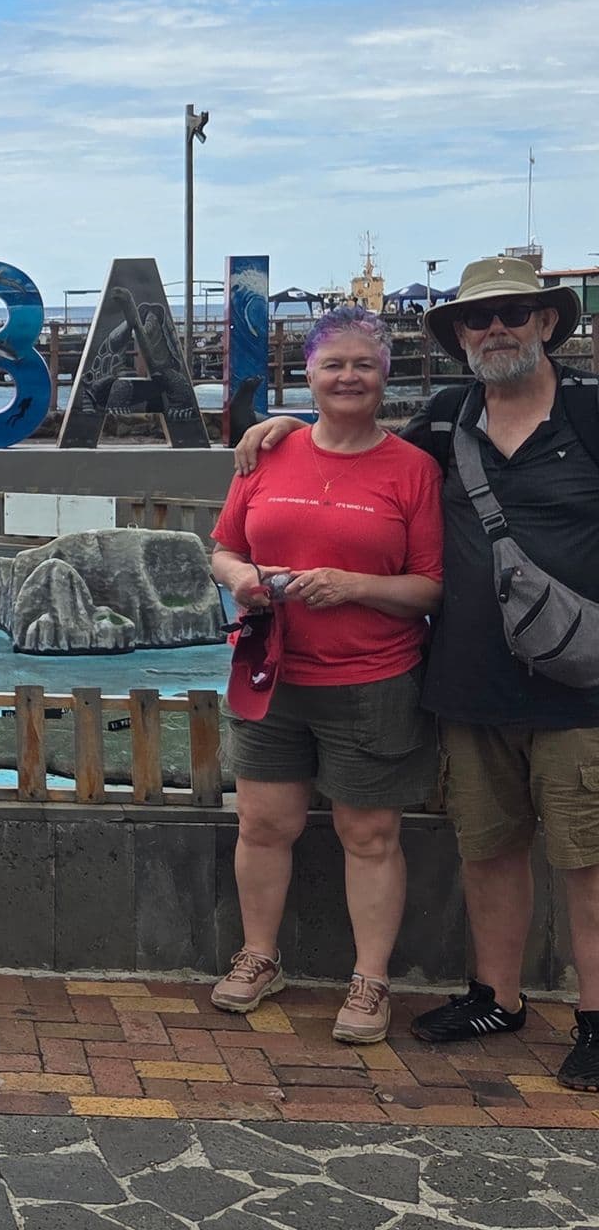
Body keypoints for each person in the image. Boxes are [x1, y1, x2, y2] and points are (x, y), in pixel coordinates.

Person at [237, 255, 599, 1088]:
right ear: (459, 335)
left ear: (547, 321)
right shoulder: (447, 418)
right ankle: (496, 997)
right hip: (470, 679)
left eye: (512, 312)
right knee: (490, 850)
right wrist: (286, 425)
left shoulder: (588, 411)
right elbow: (361, 451)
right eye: (477, 318)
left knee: (586, 859)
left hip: (581, 682)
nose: (495, 328)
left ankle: (594, 1017)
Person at [208, 305, 444, 1043]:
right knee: (263, 824)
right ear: (306, 375)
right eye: (333, 364)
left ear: (386, 375)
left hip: (373, 680)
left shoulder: (413, 470)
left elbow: (430, 587)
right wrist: (243, 580)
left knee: (369, 832)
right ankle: (259, 955)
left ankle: (371, 980)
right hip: (272, 674)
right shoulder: (265, 455)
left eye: (363, 364)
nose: (349, 376)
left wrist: (354, 586)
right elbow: (222, 548)